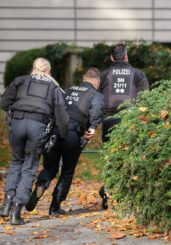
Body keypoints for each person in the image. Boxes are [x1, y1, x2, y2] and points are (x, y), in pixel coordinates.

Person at [25, 68, 104, 216]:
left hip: (55, 132)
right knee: (67, 171)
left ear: (84, 78)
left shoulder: (67, 90)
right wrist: (93, 127)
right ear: (97, 81)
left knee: (50, 168)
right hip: (73, 135)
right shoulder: (95, 94)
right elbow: (97, 110)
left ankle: (41, 185)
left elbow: (53, 106)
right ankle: (55, 206)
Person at [0, 57, 69, 225]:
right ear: (48, 71)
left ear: (33, 68)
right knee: (29, 167)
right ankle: (16, 212)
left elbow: (4, 102)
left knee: (16, 162)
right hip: (38, 127)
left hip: (17, 123)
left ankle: (5, 205)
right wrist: (62, 134)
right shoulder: (54, 87)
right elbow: (62, 117)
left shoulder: (20, 81)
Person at [98, 43, 149, 208]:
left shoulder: (104, 75)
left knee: (110, 157)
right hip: (130, 120)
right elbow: (146, 99)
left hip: (108, 120)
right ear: (126, 56)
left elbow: (96, 99)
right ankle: (128, 197)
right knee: (130, 157)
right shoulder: (138, 74)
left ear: (112, 57)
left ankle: (108, 192)